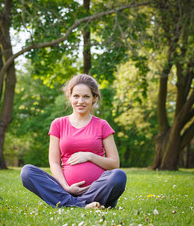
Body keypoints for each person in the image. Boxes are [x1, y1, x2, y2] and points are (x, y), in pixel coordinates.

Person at [21, 74, 127, 209]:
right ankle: (80, 204)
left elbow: (114, 163)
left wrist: (89, 156)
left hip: (97, 190)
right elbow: (54, 162)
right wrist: (66, 187)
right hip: (66, 189)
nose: (80, 101)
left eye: (86, 96)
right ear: (70, 97)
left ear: (94, 98)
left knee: (119, 176)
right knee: (27, 172)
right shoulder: (58, 124)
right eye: (76, 96)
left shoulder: (102, 125)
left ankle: (71, 203)